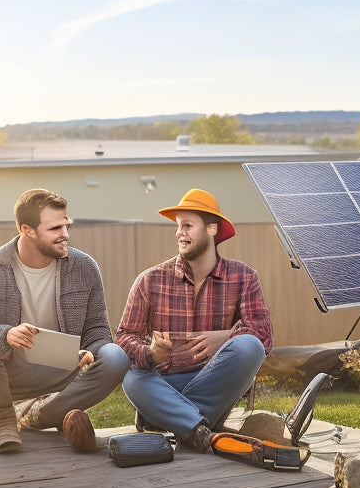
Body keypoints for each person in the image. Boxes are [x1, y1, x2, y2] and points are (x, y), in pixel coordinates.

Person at [0, 188, 130, 453]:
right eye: (55, 228)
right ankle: (4, 420)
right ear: (27, 230)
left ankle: (39, 415)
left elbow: (97, 329)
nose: (65, 234)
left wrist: (90, 352)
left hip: (64, 366)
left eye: (66, 225)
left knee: (116, 357)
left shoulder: (84, 267)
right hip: (6, 370)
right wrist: (5, 335)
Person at [116, 188, 273, 452]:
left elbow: (263, 334)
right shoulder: (150, 280)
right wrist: (152, 354)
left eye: (187, 226)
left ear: (212, 229)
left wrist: (225, 338)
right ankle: (200, 427)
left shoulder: (244, 277)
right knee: (132, 377)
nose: (179, 233)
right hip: (165, 381)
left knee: (250, 347)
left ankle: (166, 416)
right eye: (178, 227)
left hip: (215, 380)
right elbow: (124, 337)